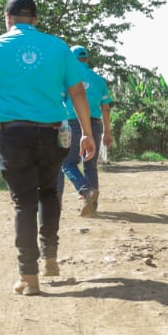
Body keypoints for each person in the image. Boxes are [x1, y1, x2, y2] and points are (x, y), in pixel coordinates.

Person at [0, 0, 95, 295]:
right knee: (49, 192)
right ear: (35, 20)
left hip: (15, 135)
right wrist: (87, 133)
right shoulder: (58, 47)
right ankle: (50, 257)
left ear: (7, 18)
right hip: (54, 134)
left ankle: (30, 276)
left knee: (23, 202)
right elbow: (77, 93)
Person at [58, 44, 114, 217]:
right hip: (95, 125)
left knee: (66, 162)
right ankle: (92, 207)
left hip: (72, 123)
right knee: (90, 165)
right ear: (86, 59)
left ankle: (84, 191)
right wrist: (108, 132)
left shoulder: (66, 78)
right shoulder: (99, 80)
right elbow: (105, 108)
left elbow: (58, 101)